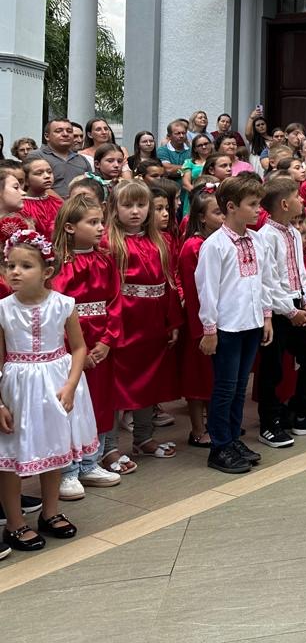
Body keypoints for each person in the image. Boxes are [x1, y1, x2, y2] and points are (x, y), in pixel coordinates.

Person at [0, 229, 98, 552]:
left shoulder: (63, 304)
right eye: (10, 265)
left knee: (55, 449)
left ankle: (50, 511)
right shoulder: (3, 310)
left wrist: (70, 386)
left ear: (47, 272)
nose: (15, 272)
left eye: (25, 266)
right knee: (12, 456)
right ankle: (15, 523)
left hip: (56, 384)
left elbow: (80, 348)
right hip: (18, 388)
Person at [193, 174, 273, 473]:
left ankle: (232, 438)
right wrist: (209, 328)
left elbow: (263, 281)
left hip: (250, 323)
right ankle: (219, 446)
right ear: (230, 206)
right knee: (224, 388)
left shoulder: (255, 239)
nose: (257, 210)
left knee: (240, 387)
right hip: (226, 327)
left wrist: (266, 316)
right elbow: (207, 289)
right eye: (252, 205)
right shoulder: (215, 245)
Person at [106, 179, 182, 468]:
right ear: (114, 209)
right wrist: (111, 328)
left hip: (153, 323)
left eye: (141, 205)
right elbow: (107, 290)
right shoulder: (110, 243)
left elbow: (169, 283)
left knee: (150, 382)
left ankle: (143, 438)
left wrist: (173, 321)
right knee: (118, 387)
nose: (135, 211)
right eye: (127, 205)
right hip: (124, 322)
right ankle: (109, 446)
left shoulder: (160, 242)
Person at [256, 177, 306, 447]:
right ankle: (269, 422)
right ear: (284, 203)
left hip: (298, 305)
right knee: (273, 368)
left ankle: (301, 413)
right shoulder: (267, 236)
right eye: (298, 197)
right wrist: (290, 312)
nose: (302, 200)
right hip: (279, 312)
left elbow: (299, 270)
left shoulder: (292, 231)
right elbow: (269, 281)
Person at [51, 198, 124, 498]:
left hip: (100, 342)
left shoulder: (105, 260)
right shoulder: (60, 264)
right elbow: (56, 311)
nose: (100, 228)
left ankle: (90, 462)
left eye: (100, 222)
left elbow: (116, 302)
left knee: (101, 402)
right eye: (92, 223)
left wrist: (107, 341)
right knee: (73, 406)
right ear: (69, 227)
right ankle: (68, 469)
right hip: (74, 344)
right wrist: (74, 350)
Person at [177, 191, 220, 449]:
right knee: (198, 380)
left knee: (213, 378)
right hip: (199, 323)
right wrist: (203, 328)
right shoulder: (193, 246)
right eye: (217, 213)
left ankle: (214, 424)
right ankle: (197, 429)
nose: (223, 217)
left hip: (216, 320)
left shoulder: (218, 240)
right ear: (202, 218)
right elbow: (196, 293)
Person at [28, 119, 91, 197]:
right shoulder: (36, 156)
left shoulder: (82, 159)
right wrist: (63, 205)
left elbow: (90, 186)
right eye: (58, 131)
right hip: (46, 206)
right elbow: (38, 186)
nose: (65, 134)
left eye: (69, 131)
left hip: (79, 206)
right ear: (47, 136)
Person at [20, 157, 63, 239]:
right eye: (39, 173)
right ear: (26, 180)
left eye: (49, 172)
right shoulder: (21, 206)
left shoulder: (58, 203)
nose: (47, 176)